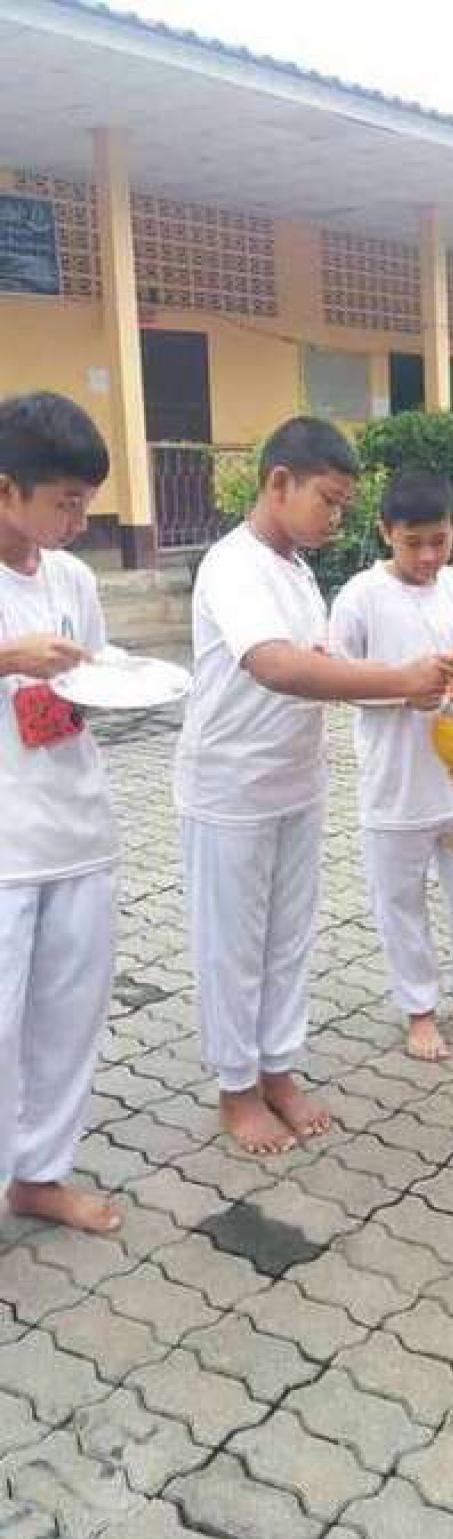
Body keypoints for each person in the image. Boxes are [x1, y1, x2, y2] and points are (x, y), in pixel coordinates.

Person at [174, 419, 453, 1155]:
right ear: (279, 483)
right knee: (233, 944)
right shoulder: (233, 566)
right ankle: (236, 1088)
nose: (336, 517)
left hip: (296, 780)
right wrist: (396, 679)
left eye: (342, 505)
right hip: (231, 786)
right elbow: (276, 666)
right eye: (328, 501)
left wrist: (404, 686)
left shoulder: (297, 570)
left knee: (288, 937)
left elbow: (322, 661)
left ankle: (277, 1067)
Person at [329, 469, 453, 1062]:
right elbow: (337, 680)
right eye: (412, 542)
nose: (426, 556)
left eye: (438, 541)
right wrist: (401, 692)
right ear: (385, 532)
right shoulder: (360, 597)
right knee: (400, 901)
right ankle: (418, 1009)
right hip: (395, 785)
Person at [0, 391, 121, 1235]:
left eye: (85, 504)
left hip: (78, 827)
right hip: (4, 847)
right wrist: (10, 655)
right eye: (65, 503)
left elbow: (93, 677)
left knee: (68, 1018)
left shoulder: (73, 577)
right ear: (7, 489)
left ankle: (41, 1175)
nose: (79, 522)